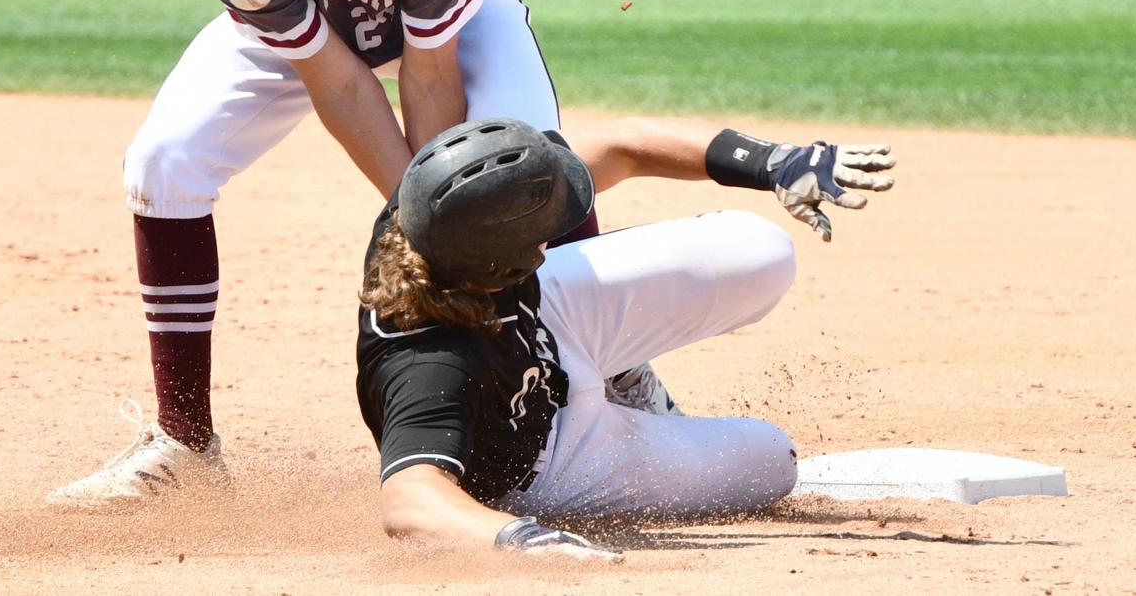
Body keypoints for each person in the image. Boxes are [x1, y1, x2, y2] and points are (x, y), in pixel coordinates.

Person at [46, 0, 673, 509]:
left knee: (523, 165)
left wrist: (459, 200)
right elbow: (339, 82)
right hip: (314, 34)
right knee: (161, 164)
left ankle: (621, 374)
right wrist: (426, 225)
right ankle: (185, 441)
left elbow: (428, 70)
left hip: (451, 23)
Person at [358, 117, 895, 560]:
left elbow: (622, 145)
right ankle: (617, 393)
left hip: (551, 315)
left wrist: (771, 161)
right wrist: (521, 538)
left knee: (762, 250)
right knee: (773, 459)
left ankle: (620, 367)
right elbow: (408, 499)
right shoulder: (430, 366)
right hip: (556, 456)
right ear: (507, 260)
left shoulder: (445, 210)